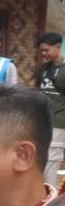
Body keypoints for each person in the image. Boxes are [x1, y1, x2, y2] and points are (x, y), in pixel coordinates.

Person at [37, 31, 65, 186]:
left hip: (59, 122)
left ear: (58, 47)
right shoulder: (43, 68)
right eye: (41, 50)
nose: (43, 53)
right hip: (42, 121)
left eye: (46, 50)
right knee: (41, 159)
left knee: (52, 162)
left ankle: (51, 201)